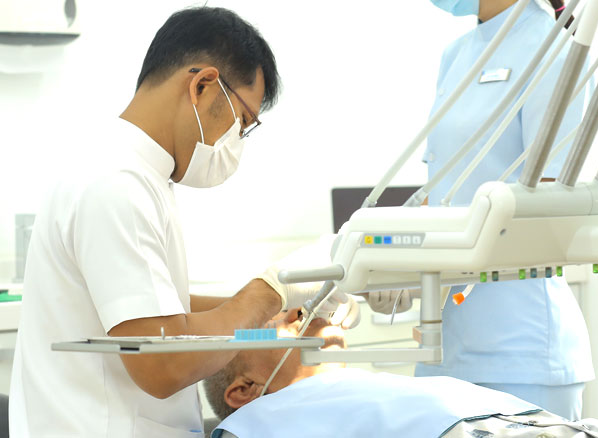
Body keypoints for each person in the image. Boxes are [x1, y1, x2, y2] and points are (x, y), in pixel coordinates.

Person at [9, 7, 355, 437]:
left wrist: (285, 304)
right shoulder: (116, 184)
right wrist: (271, 291)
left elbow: (160, 307)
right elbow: (164, 362)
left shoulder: (134, 176)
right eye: (242, 122)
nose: (237, 142)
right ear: (203, 85)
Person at [368, 0, 594, 421]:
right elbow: (445, 191)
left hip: (521, 350)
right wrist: (398, 271)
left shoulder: (557, 51)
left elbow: (550, 209)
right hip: (446, 347)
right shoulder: (456, 54)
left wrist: (442, 264)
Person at [203, 316, 598, 438]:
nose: (300, 315)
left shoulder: (349, 388)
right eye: (275, 323)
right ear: (244, 391)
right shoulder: (254, 424)